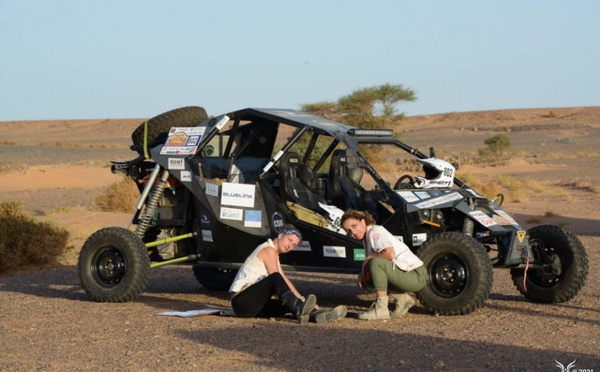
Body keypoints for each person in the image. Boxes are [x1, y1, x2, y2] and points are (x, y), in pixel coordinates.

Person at [230, 224, 347, 324]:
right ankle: (300, 308)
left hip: (252, 307)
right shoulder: (267, 249)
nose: (290, 245)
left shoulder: (274, 255)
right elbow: (277, 278)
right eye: (289, 240)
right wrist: (299, 302)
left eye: (294, 245)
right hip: (241, 303)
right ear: (280, 236)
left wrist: (302, 300)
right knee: (276, 278)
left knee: (286, 304)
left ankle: (315, 315)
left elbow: (284, 280)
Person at [341, 209, 428, 320]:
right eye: (349, 231)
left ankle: (381, 309)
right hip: (409, 274)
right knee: (369, 275)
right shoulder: (367, 236)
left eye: (354, 225)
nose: (353, 232)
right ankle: (402, 299)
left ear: (363, 221)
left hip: (416, 275)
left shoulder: (375, 232)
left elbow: (389, 254)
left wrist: (368, 259)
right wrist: (362, 273)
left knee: (375, 263)